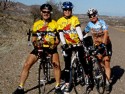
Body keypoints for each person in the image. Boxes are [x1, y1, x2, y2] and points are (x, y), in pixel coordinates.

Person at [12, 3, 62, 94]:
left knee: (56, 64)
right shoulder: (36, 24)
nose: (46, 13)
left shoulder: (55, 24)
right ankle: (20, 87)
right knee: (27, 64)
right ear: (41, 12)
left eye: (48, 12)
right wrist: (36, 44)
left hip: (51, 48)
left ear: (50, 12)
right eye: (44, 12)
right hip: (39, 47)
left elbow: (58, 39)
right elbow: (34, 38)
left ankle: (57, 86)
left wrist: (54, 46)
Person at [57, 1, 84, 93]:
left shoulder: (75, 19)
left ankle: (86, 75)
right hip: (68, 44)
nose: (67, 11)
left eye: (69, 9)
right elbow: (60, 34)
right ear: (63, 10)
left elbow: (78, 29)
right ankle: (67, 83)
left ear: (71, 10)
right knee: (67, 65)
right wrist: (64, 43)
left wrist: (81, 39)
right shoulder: (60, 21)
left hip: (77, 43)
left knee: (82, 58)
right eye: (65, 10)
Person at [84, 8, 112, 92]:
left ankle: (107, 82)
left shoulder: (102, 22)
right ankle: (102, 75)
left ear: (96, 14)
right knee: (100, 62)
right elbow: (84, 32)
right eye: (90, 16)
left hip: (106, 45)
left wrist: (103, 44)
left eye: (94, 15)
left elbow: (106, 33)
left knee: (106, 62)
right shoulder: (89, 24)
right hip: (97, 45)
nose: (92, 17)